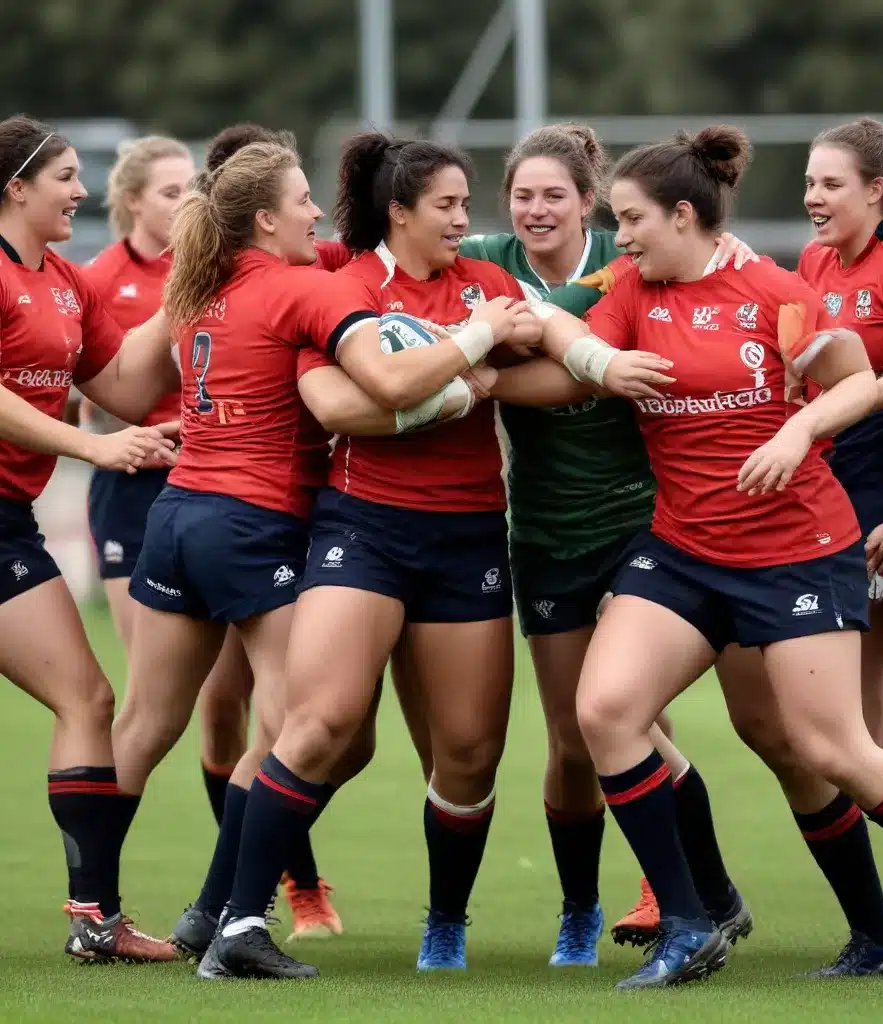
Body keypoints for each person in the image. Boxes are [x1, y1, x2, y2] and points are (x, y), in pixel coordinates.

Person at [531, 124, 883, 991]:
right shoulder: (628, 289)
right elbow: (565, 329)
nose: (623, 235)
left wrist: (812, 402)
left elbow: (848, 372)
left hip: (796, 551)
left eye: (634, 218)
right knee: (605, 711)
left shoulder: (777, 288)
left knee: (833, 748)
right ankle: (691, 923)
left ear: (685, 216)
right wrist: (590, 360)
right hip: (683, 549)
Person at [194, 131, 674, 982]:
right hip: (363, 529)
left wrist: (571, 360)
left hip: (468, 536)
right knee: (322, 723)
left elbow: (557, 345)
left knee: (468, 751)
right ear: (400, 211)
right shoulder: (342, 287)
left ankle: (445, 924)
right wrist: (467, 367)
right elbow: (340, 404)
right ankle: (234, 923)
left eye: (464, 203)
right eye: (447, 205)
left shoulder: (487, 284)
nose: (465, 219)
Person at [456, 122, 752, 965]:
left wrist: (496, 363)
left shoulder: (625, 266)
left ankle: (697, 896)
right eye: (522, 196)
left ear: (588, 202)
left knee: (629, 714)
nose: (536, 209)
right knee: (570, 737)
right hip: (545, 531)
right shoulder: (484, 260)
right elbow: (409, 281)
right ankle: (581, 908)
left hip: (639, 523)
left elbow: (559, 329)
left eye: (555, 195)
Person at [107, 141, 387, 962]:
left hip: (177, 514)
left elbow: (123, 374)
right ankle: (232, 914)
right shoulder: (302, 288)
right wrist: (470, 350)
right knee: (311, 727)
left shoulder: (197, 285)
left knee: (144, 724)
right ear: (264, 218)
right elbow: (383, 377)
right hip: (251, 526)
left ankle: (99, 908)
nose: (313, 214)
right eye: (301, 201)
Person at [0, 114, 180, 960]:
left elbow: (124, 386)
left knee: (89, 700)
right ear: (17, 187)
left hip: (7, 524)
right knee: (93, 700)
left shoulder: (67, 282)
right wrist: (91, 445)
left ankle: (94, 921)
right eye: (67, 176)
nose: (82, 191)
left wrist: (187, 295)